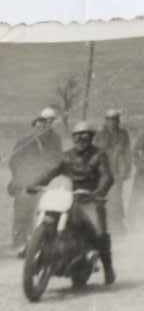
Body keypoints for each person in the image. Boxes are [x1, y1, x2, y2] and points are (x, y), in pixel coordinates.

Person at [29, 120, 115, 284]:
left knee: (100, 231)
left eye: (85, 136)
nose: (81, 139)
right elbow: (51, 171)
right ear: (73, 138)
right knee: (48, 211)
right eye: (77, 136)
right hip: (70, 197)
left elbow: (107, 176)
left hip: (91, 198)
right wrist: (35, 184)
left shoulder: (99, 155)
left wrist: (98, 192)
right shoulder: (66, 156)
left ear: (91, 137)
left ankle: (108, 268)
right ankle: (35, 248)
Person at [7, 108, 63, 254]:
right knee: (22, 214)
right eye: (43, 122)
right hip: (25, 183)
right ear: (36, 124)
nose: (45, 126)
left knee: (42, 212)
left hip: (46, 183)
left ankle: (36, 244)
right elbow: (14, 161)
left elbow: (58, 160)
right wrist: (22, 178)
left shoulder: (55, 140)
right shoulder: (25, 141)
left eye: (50, 122)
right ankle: (19, 244)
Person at [95, 109, 132, 233]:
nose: (113, 122)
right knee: (102, 197)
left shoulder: (123, 134)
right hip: (103, 172)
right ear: (106, 121)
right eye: (110, 119)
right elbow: (95, 152)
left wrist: (127, 169)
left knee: (117, 198)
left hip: (117, 172)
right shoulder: (100, 134)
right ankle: (101, 225)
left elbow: (127, 152)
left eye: (115, 119)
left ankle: (118, 225)